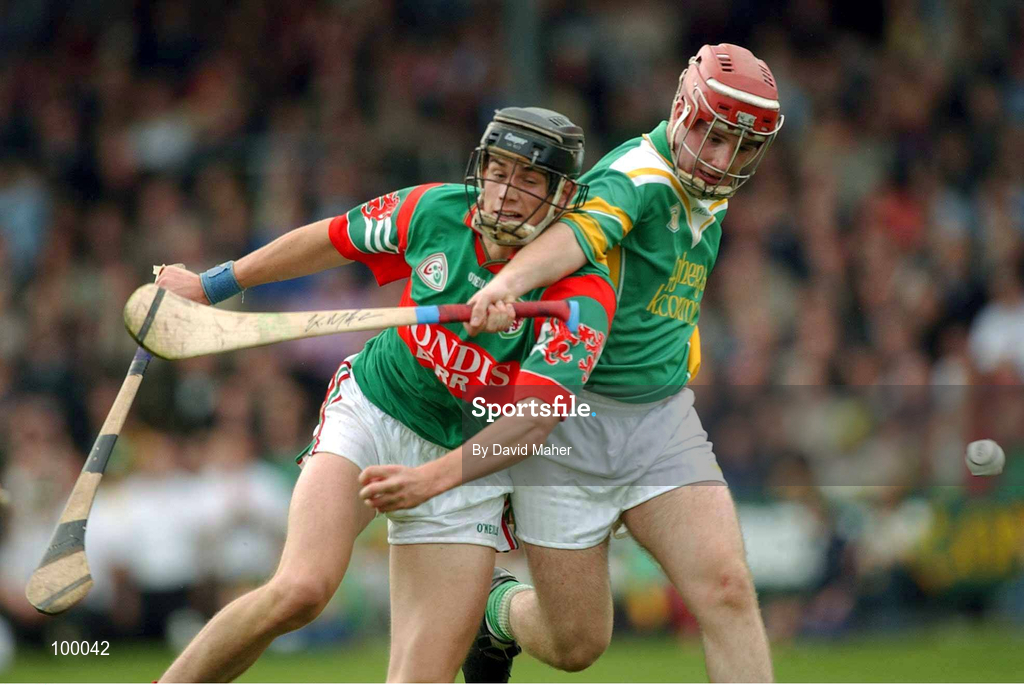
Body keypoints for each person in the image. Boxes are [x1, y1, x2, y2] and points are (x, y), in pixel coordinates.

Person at [359, 43, 783, 682]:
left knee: (726, 589)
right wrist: (507, 284)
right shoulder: (635, 179)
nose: (724, 160)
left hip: (659, 423)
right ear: (681, 109)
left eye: (742, 147)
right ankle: (495, 616)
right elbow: (576, 237)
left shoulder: (708, 187)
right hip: (568, 427)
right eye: (714, 136)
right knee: (576, 644)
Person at [153, 106, 615, 682]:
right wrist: (210, 285)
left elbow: (531, 424)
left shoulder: (581, 295)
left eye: (528, 179)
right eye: (499, 171)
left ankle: (486, 618)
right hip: (376, 409)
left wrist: (433, 478)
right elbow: (332, 239)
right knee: (300, 590)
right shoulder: (435, 210)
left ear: (559, 195)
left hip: (465, 466)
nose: (506, 192)